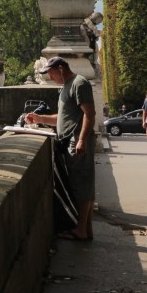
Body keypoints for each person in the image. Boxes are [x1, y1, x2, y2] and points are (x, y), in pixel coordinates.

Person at [25, 56, 96, 242]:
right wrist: (40, 119)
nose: (50, 77)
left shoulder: (79, 83)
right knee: (82, 184)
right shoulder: (67, 86)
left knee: (81, 185)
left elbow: (90, 114)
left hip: (76, 139)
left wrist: (82, 140)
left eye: (51, 72)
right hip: (71, 140)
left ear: (61, 69)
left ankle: (81, 229)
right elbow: (63, 118)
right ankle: (85, 229)